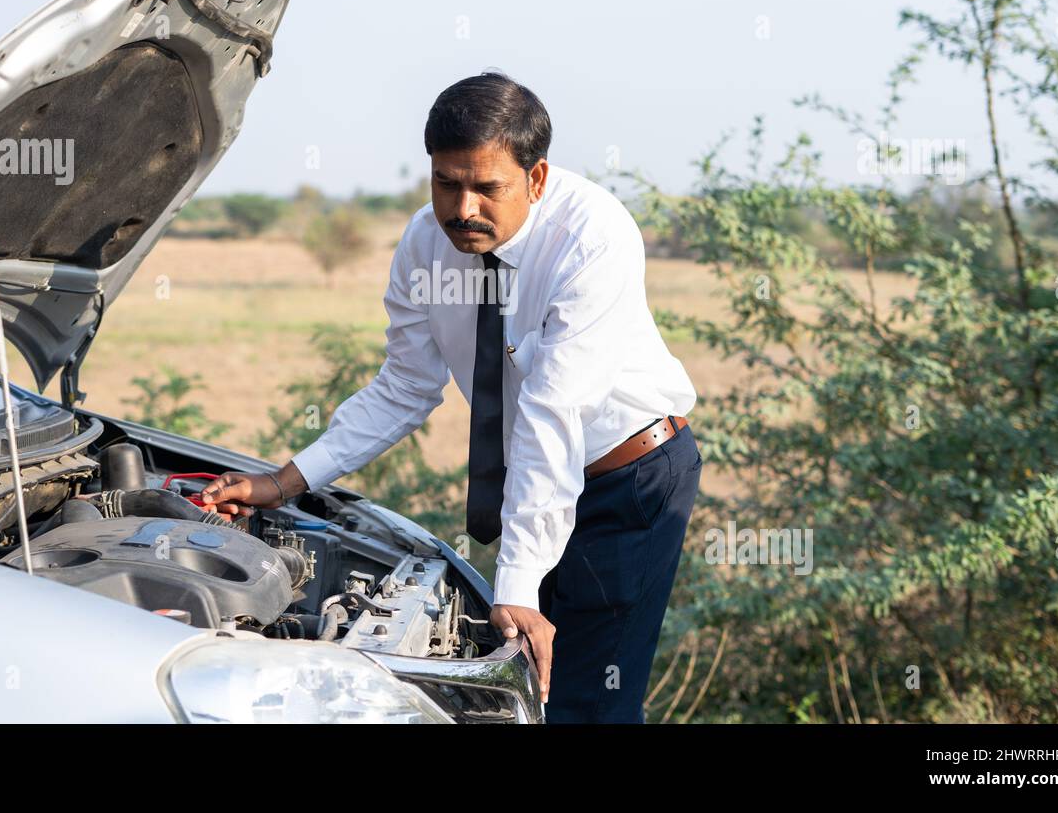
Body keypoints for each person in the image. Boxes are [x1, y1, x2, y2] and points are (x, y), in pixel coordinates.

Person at [200, 71, 702, 723]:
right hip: (540, 486)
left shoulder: (592, 238)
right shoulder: (422, 245)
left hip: (624, 481)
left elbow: (554, 411)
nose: (462, 208)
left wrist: (517, 585)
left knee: (583, 702)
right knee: (520, 694)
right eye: (446, 183)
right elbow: (405, 385)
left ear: (537, 178)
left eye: (486, 187)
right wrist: (284, 481)